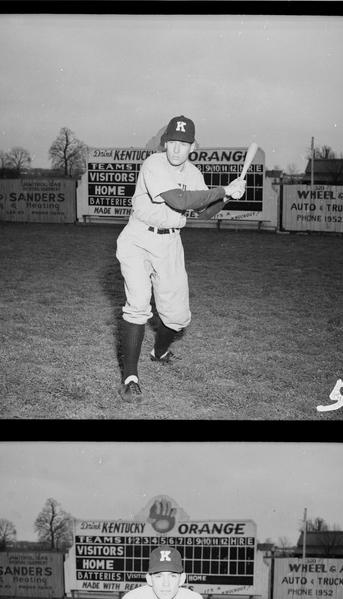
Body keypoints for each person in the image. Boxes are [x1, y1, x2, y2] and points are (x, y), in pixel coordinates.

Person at [116, 114, 246, 402]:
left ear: (193, 146)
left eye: (183, 144)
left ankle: (159, 351)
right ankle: (130, 378)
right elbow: (180, 201)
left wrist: (228, 197)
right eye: (172, 142)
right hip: (138, 238)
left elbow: (203, 211)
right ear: (165, 143)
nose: (176, 149)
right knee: (137, 305)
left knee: (177, 318)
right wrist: (222, 189)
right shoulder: (154, 164)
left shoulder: (194, 174)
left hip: (170, 242)